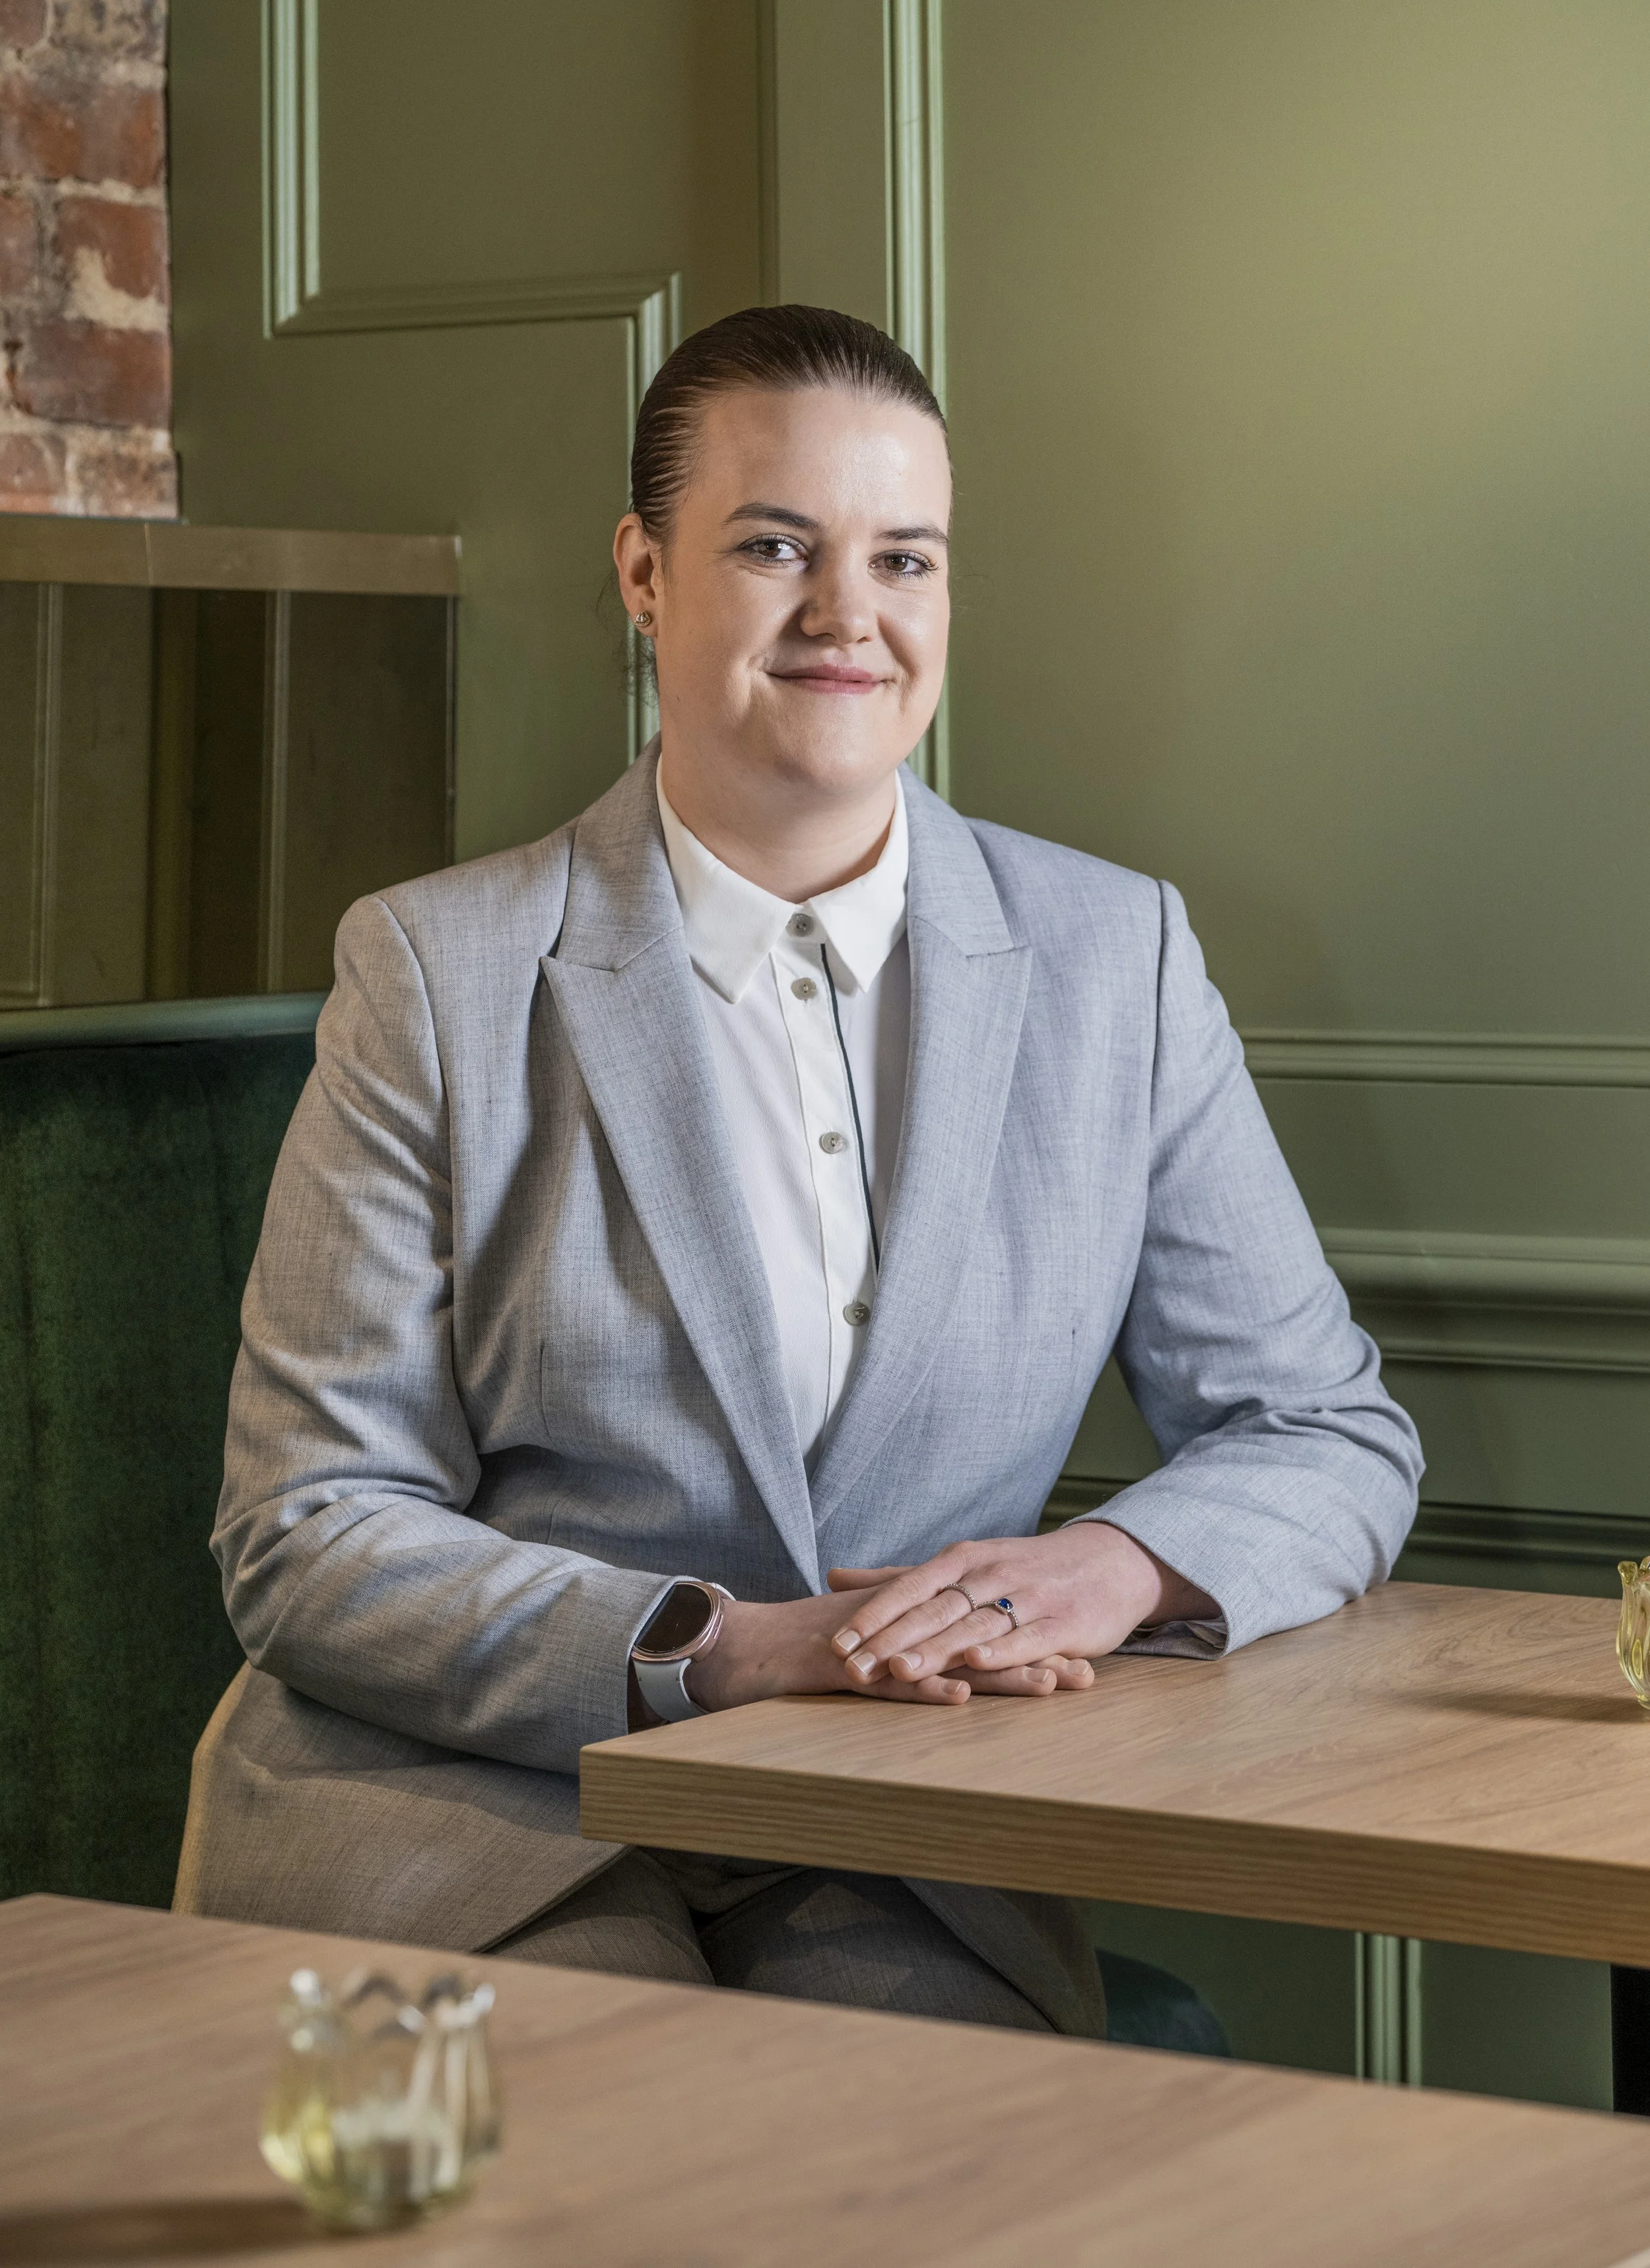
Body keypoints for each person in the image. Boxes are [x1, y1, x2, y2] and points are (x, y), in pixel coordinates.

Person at [176, 304, 1422, 2039]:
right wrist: (737, 1645)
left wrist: (1105, 1568)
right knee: (633, 2167)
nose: (850, 614)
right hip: (475, 1817)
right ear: (642, 573)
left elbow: (1324, 1431)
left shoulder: (1111, 958)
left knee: (901, 2176)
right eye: (776, 546)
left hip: (902, 1838)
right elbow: (306, 1527)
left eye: (902, 558)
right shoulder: (436, 971)